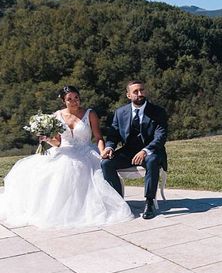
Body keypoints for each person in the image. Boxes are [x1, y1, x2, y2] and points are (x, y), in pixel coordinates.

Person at [0, 86, 134, 229]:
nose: (74, 101)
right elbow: (57, 142)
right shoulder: (56, 116)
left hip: (86, 151)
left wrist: (102, 153)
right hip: (64, 151)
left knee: (86, 172)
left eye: (76, 97)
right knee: (45, 174)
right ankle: (56, 211)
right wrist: (46, 139)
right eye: (69, 99)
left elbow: (99, 137)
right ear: (63, 101)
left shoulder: (90, 114)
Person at [101, 80, 168, 219]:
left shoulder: (158, 111)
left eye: (142, 90)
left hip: (151, 151)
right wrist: (109, 147)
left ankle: (149, 202)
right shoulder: (120, 113)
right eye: (135, 92)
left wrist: (145, 151)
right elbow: (113, 135)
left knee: (152, 160)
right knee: (106, 163)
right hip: (128, 152)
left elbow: (160, 137)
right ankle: (118, 202)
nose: (140, 94)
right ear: (128, 95)